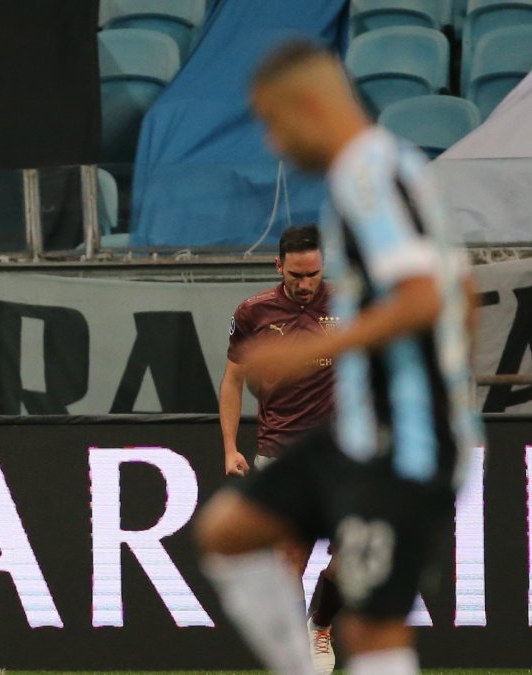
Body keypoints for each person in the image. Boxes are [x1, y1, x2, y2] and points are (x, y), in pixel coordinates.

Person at [196, 40, 482, 675]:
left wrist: (314, 347)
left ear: (306, 105)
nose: (272, 142)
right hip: (362, 433)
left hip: (404, 443)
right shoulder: (394, 166)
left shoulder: (366, 176)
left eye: (272, 122)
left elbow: (424, 297)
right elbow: (460, 293)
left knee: (373, 632)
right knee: (228, 532)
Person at [220, 224, 343, 673]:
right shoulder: (253, 312)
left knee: (353, 560)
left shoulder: (349, 304)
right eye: (296, 275)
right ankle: (295, 657)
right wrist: (230, 446)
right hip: (281, 452)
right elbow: (233, 381)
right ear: (278, 267)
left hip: (343, 452)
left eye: (313, 274)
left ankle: (321, 625)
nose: (306, 284)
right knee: (289, 559)